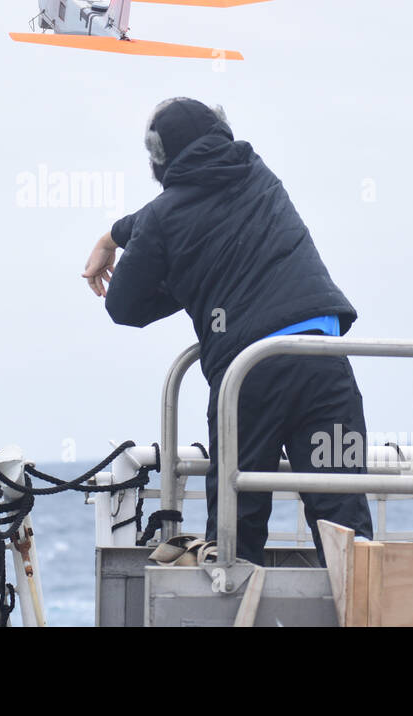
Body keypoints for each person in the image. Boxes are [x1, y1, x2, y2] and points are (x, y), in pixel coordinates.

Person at [82, 97, 373, 565]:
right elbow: (177, 208)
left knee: (235, 539)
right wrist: (116, 235)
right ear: (221, 131)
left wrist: (177, 273)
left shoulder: (163, 220)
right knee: (346, 529)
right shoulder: (257, 172)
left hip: (250, 375)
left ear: (159, 159)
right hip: (323, 360)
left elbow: (125, 306)